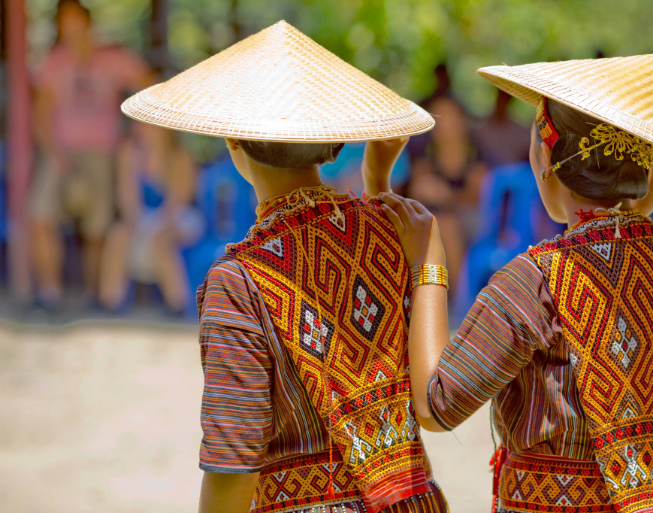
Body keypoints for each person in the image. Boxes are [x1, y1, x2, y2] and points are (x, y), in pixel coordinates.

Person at [374, 54, 653, 513]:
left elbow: (436, 405)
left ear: (544, 156)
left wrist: (428, 259)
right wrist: (635, 213)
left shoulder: (534, 281)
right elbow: (611, 265)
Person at [121, 21, 446, 513]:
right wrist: (377, 179)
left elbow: (235, 465)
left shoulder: (238, 281)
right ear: (335, 142)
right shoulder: (394, 234)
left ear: (233, 140)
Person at [30, 0, 153, 309]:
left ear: (87, 23)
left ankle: (93, 295)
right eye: (63, 22)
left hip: (102, 153)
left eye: (75, 21)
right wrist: (52, 153)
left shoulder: (112, 58)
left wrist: (139, 132)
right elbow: (41, 114)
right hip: (60, 154)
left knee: (97, 227)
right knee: (41, 217)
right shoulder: (53, 62)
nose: (69, 28)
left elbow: (149, 83)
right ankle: (50, 293)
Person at [99, 122, 201, 314]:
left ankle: (177, 304)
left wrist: (154, 226)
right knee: (118, 234)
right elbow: (127, 198)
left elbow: (181, 198)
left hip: (180, 216)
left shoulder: (179, 155)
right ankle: (110, 301)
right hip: (144, 216)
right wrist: (135, 224)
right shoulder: (129, 152)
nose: (139, 127)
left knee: (161, 240)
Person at [407, 95, 487, 302]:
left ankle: (461, 303)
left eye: (448, 117)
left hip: (474, 219)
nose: (443, 123)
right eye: (437, 118)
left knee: (445, 226)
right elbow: (416, 191)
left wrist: (448, 195)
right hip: (437, 218)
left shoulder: (476, 153)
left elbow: (481, 196)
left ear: (461, 121)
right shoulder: (427, 155)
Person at [473, 90, 531, 168]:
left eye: (505, 99)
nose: (502, 103)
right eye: (500, 98)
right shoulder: (480, 129)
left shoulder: (521, 132)